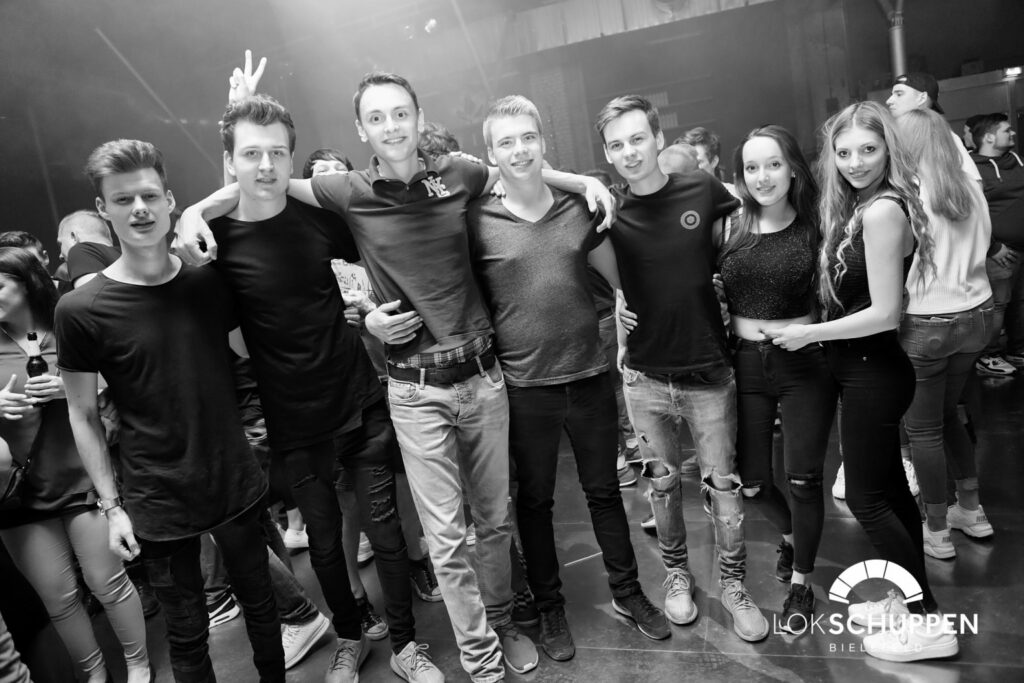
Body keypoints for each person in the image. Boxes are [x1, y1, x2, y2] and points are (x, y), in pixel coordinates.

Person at [177, 62, 612, 683]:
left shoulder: (457, 174)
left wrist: (584, 180)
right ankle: (480, 656)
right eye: (376, 117)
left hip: (483, 376)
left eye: (400, 113)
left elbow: (518, 170)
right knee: (446, 536)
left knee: (494, 520)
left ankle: (503, 622)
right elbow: (260, 184)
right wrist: (194, 211)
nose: (391, 125)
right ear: (361, 129)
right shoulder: (346, 190)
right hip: (414, 389)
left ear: (418, 117)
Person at [56, 139, 285, 682]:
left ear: (170, 201)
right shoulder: (81, 309)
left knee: (263, 611)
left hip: (232, 477)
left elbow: (248, 352)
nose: (139, 209)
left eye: (149, 196)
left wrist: (213, 234)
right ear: (104, 210)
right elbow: (82, 415)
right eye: (123, 199)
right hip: (156, 496)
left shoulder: (206, 282)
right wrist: (112, 508)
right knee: (187, 637)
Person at [468, 95, 668, 660]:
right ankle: (550, 606)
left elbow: (620, 277)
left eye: (528, 138)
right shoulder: (477, 221)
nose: (519, 150)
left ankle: (628, 592)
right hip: (524, 386)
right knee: (534, 503)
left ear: (543, 142)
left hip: (588, 376)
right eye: (506, 142)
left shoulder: (578, 209)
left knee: (605, 492)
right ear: (491, 154)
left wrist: (626, 313)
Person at [766, 101, 957, 662]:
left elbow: (884, 313)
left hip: (875, 370)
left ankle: (926, 621)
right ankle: (910, 602)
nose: (855, 162)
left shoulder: (882, 212)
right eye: (844, 152)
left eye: (868, 150)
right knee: (892, 494)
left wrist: (810, 334)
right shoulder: (863, 206)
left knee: (868, 499)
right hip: (868, 371)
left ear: (888, 150)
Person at [595, 94, 769, 643]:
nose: (629, 152)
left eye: (637, 139)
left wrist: (732, 291)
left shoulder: (702, 189)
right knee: (662, 488)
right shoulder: (610, 210)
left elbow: (746, 236)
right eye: (617, 145)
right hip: (644, 377)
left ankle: (734, 585)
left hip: (708, 372)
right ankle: (677, 576)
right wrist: (618, 305)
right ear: (607, 154)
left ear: (657, 138)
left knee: (724, 490)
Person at [0, 247, 150, 683]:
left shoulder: (69, 327)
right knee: (60, 599)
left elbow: (121, 392)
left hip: (81, 477)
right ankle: (96, 677)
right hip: (19, 492)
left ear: (26, 284)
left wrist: (70, 391)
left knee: (108, 582)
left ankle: (139, 666)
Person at [719, 125, 837, 633]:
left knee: (805, 480)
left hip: (804, 362)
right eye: (751, 167)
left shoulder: (818, 226)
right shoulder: (729, 225)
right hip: (745, 363)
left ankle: (801, 583)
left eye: (772, 164)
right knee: (752, 483)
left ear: (792, 169)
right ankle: (790, 536)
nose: (762, 176)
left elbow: (841, 295)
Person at [896, 108, 995, 558]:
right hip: (978, 316)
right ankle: (971, 511)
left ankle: (936, 530)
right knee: (948, 414)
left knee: (923, 430)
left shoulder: (909, 195)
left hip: (928, 322)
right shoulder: (970, 185)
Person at [970, 113, 1024, 376]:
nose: (1012, 133)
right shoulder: (974, 169)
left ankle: (1016, 349)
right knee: (997, 305)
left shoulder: (1016, 161)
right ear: (990, 137)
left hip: (1021, 248)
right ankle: (988, 356)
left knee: (1019, 302)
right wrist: (993, 247)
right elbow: (971, 215)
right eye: (1006, 130)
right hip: (999, 252)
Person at [57, 211, 118, 289]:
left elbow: (92, 295)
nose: (60, 256)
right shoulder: (127, 256)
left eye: (60, 244)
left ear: (73, 237)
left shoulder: (78, 250)